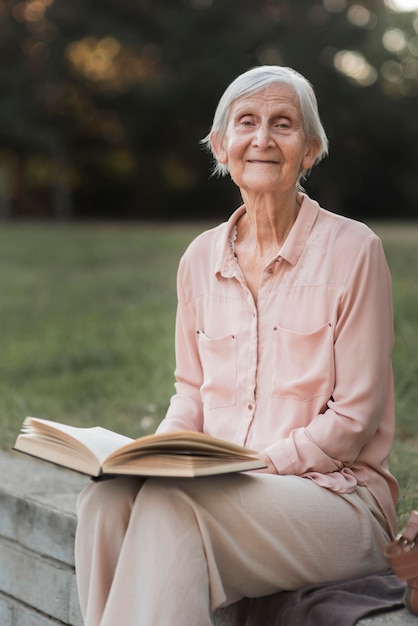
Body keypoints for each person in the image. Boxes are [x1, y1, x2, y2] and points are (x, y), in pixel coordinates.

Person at [75, 65, 399, 626]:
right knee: (104, 500)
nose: (263, 139)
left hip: (337, 501)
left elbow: (355, 418)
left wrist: (254, 466)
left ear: (311, 150)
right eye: (246, 123)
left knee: (172, 507)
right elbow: (190, 394)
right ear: (222, 147)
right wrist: (153, 456)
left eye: (283, 124)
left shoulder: (355, 250)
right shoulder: (199, 259)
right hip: (223, 491)